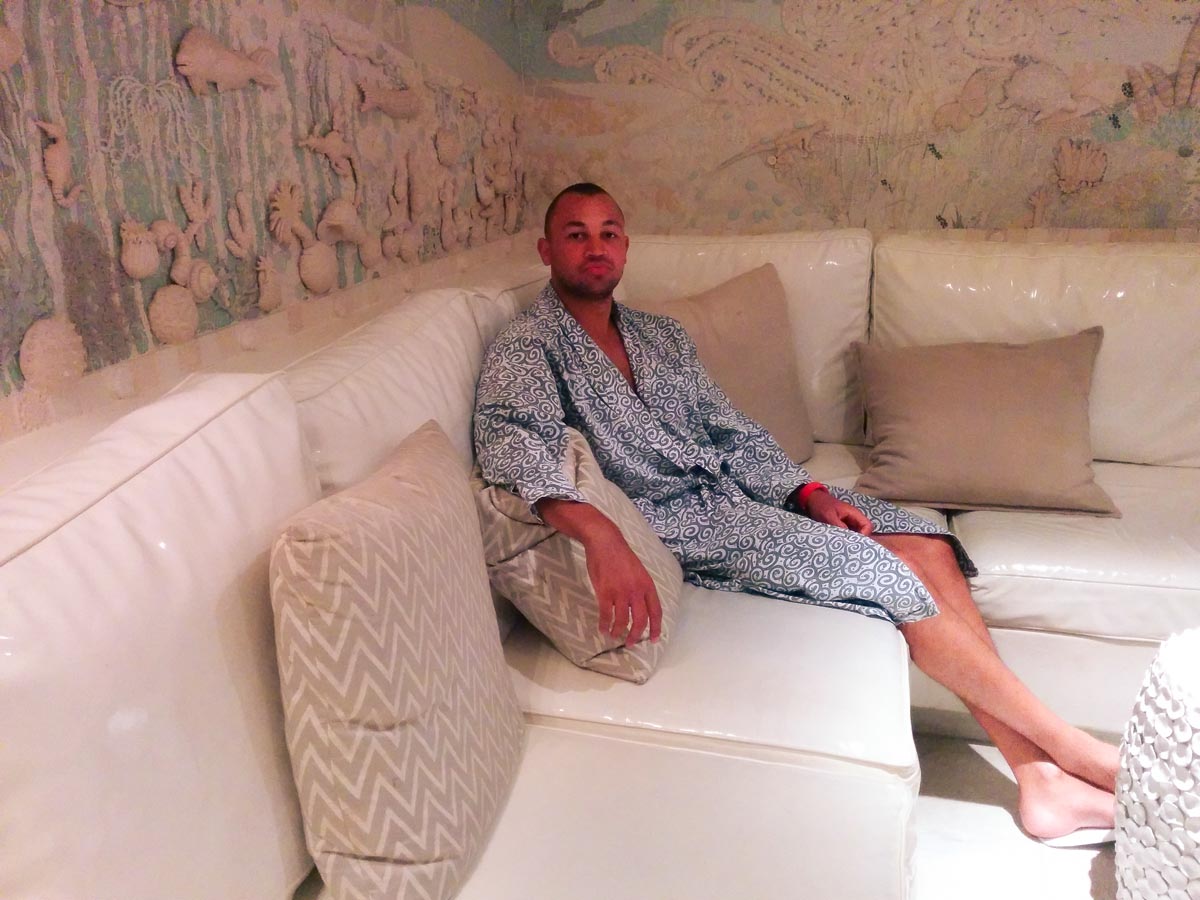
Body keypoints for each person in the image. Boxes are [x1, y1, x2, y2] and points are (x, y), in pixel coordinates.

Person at [473, 182, 1119, 846]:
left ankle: (1037, 779)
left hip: (743, 496)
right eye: (577, 234)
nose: (596, 248)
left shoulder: (658, 336)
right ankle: (1076, 753)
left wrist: (810, 495)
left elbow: (732, 432)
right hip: (683, 528)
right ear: (548, 250)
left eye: (609, 232)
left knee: (924, 538)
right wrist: (600, 530)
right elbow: (513, 443)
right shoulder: (528, 347)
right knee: (890, 574)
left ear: (626, 247)